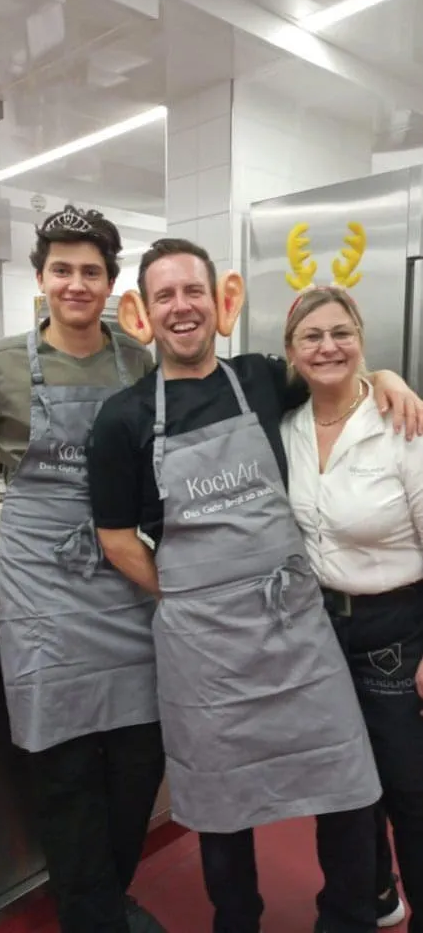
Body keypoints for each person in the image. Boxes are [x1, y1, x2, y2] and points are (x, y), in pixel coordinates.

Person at [86, 237, 423, 933]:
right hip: (202, 642)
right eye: (165, 295)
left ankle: (348, 916)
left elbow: (337, 371)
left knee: (345, 782)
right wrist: (189, 594)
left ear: (222, 301)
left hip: (296, 629)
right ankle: (235, 920)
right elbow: (116, 539)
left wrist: (390, 375)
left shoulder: (262, 380)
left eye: (194, 290)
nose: (182, 306)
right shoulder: (121, 420)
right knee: (221, 798)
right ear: (144, 312)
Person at [0, 206, 167, 933]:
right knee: (65, 768)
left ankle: (103, 897)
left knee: (138, 758)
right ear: (41, 278)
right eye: (62, 270)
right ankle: (94, 915)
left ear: (111, 283)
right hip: (43, 588)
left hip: (124, 579)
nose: (75, 284)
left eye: (90, 271)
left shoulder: (136, 362)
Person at [280, 285, 423, 933]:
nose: (327, 346)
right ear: (291, 352)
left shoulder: (401, 426)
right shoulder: (285, 429)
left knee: (408, 787)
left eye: (341, 332)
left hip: (394, 627)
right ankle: (362, 903)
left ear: (361, 341)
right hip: (317, 630)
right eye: (311, 336)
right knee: (337, 785)